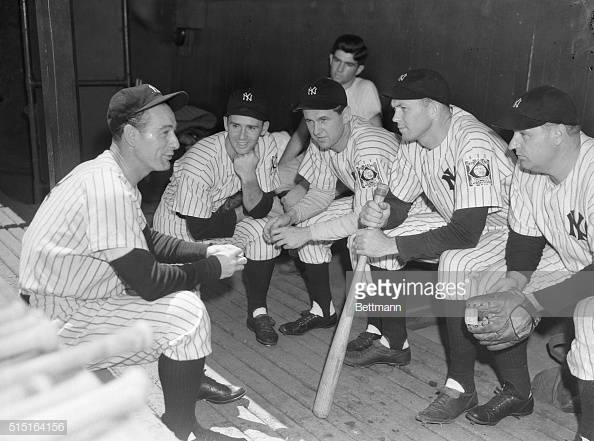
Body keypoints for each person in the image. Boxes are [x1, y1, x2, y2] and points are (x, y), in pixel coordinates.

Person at [19, 84, 247, 441]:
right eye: (165, 132)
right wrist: (214, 268)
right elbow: (149, 282)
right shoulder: (108, 187)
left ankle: (183, 395)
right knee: (186, 315)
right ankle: (181, 430)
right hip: (60, 327)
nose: (176, 143)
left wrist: (205, 251)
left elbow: (147, 239)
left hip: (71, 310)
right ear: (129, 134)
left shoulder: (110, 174)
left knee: (185, 308)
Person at [349, 69, 527, 426]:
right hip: (463, 223)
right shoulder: (413, 139)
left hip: (513, 230)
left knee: (455, 263)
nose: (393, 117)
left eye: (402, 108)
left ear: (432, 108)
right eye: (393, 107)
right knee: (368, 243)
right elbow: (399, 205)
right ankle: (394, 343)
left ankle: (461, 386)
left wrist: (393, 242)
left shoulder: (470, 142)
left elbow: (466, 234)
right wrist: (383, 216)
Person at [466, 86, 594, 439]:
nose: (511, 144)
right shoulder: (526, 170)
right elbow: (525, 240)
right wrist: (512, 287)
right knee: (486, 292)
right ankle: (518, 392)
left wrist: (533, 302)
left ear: (557, 133)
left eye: (524, 133)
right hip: (575, 260)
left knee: (589, 319)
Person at [264, 77, 401, 336]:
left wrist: (302, 235)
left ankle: (378, 329)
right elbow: (322, 192)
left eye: (324, 119)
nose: (316, 129)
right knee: (309, 224)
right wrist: (292, 216)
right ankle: (322, 310)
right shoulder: (322, 141)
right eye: (310, 121)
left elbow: (366, 219)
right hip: (375, 204)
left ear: (346, 114)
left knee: (361, 240)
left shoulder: (367, 145)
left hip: (413, 207)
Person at [153, 88, 283, 347]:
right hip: (179, 232)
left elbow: (261, 208)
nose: (243, 136)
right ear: (225, 123)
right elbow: (200, 229)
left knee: (265, 231)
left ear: (265, 128)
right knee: (183, 320)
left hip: (223, 217)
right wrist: (247, 205)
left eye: (252, 128)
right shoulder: (199, 162)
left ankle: (259, 312)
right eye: (235, 126)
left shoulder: (267, 145)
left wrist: (248, 177)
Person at [277, 34, 382, 209]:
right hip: (315, 155)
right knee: (269, 179)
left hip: (346, 164)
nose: (340, 69)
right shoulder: (321, 87)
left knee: (292, 200)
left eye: (348, 65)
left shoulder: (366, 88)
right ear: (331, 58)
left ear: (359, 69)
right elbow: (301, 133)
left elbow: (377, 136)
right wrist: (282, 165)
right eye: (337, 61)